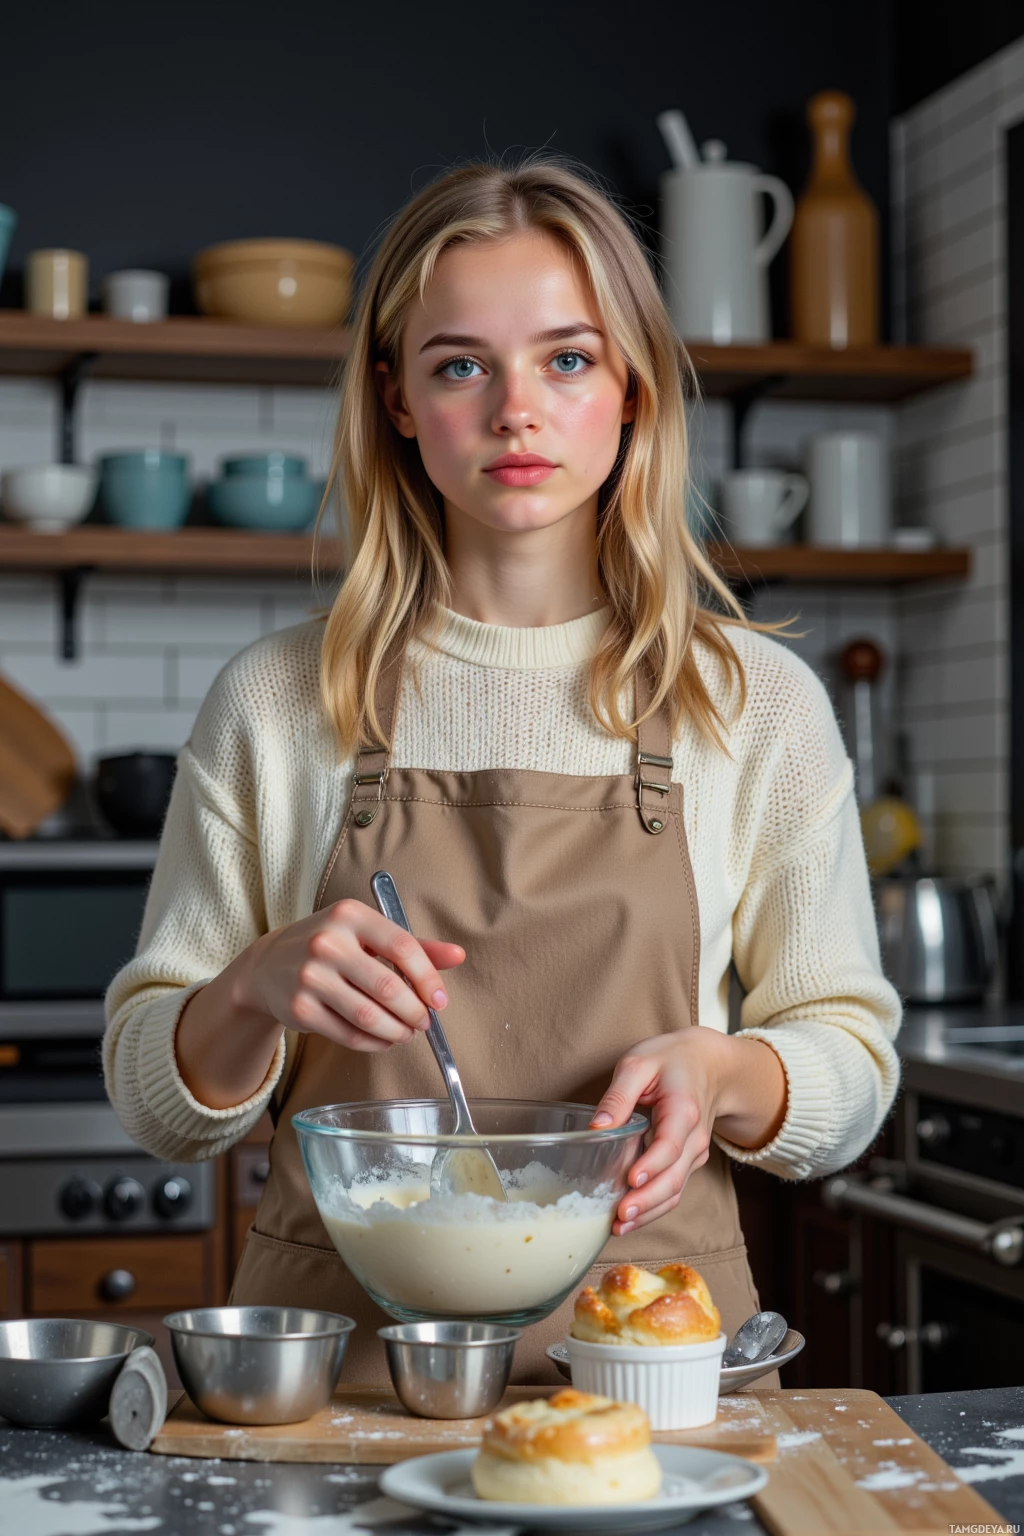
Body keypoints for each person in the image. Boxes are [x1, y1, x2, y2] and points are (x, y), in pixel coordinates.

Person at [105, 159, 901, 1385]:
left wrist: (726, 1071)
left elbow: (847, 1063)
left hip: (652, 1366)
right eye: (460, 363)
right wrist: (256, 983)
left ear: (630, 387)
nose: (515, 410)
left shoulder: (749, 702)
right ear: (400, 402)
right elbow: (157, 1105)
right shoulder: (280, 700)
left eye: (567, 359)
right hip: (339, 1384)